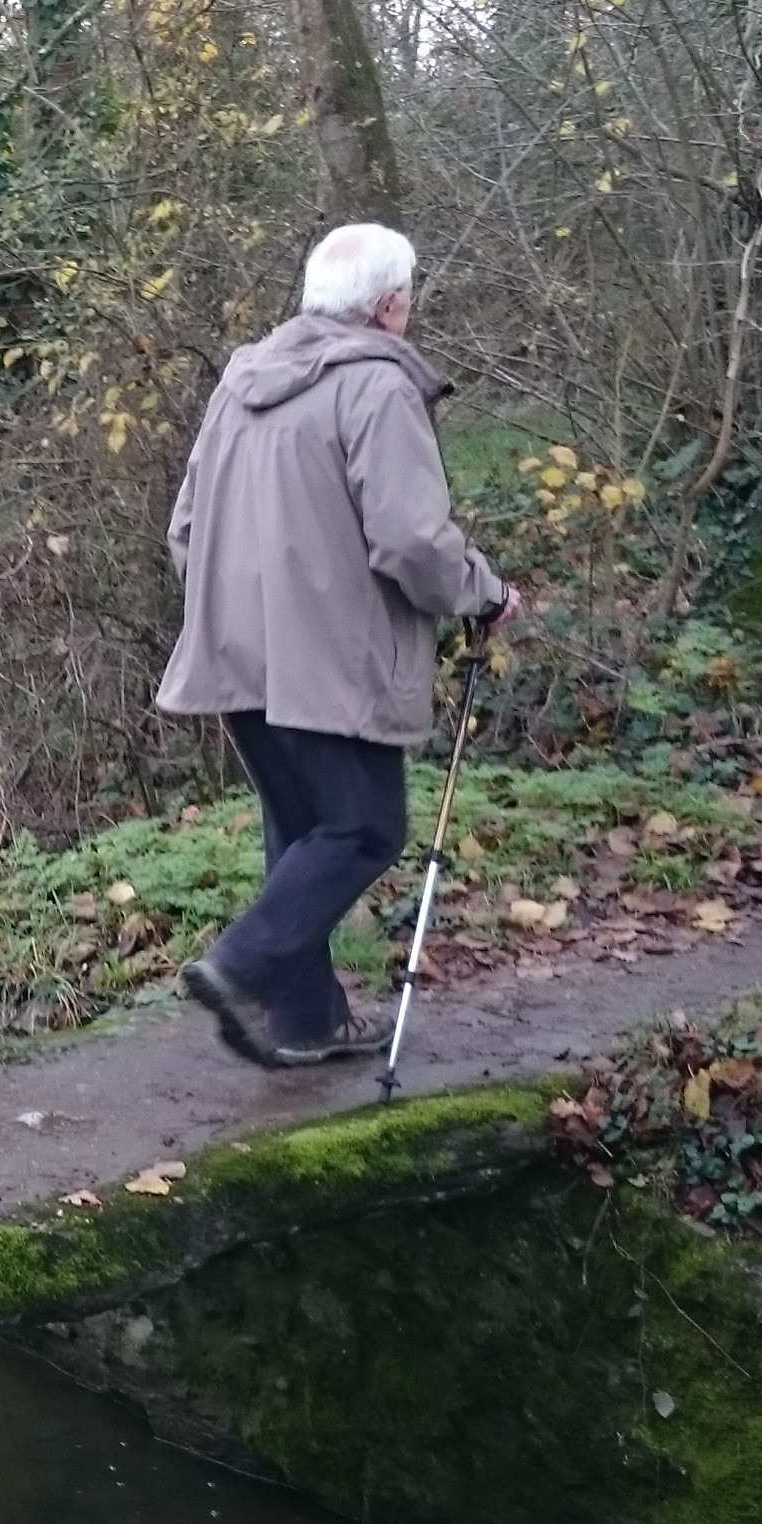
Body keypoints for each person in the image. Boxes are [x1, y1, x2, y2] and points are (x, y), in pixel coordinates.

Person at [157, 223, 519, 1067]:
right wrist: (485, 592)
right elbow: (412, 541)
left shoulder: (242, 384)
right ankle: (241, 965)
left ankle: (306, 1020)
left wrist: (240, 606)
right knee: (363, 828)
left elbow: (185, 530)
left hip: (233, 651)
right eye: (411, 295)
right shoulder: (376, 387)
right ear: (390, 304)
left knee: (301, 826)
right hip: (331, 658)